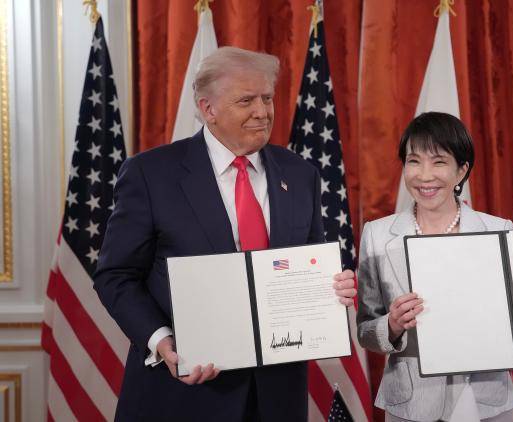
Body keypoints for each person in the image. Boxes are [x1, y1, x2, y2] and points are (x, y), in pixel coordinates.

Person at [94, 47, 356, 421]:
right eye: (246, 100)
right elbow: (115, 275)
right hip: (182, 394)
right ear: (208, 108)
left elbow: (309, 261)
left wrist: (333, 285)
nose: (262, 111)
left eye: (267, 98)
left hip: (276, 397)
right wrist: (161, 341)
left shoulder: (300, 174)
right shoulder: (151, 174)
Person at [356, 112, 513, 422]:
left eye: (439, 162)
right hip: (410, 404)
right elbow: (365, 328)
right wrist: (391, 325)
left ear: (462, 171)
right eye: (414, 161)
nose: (424, 175)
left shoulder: (499, 231)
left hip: (486, 400)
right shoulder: (377, 235)